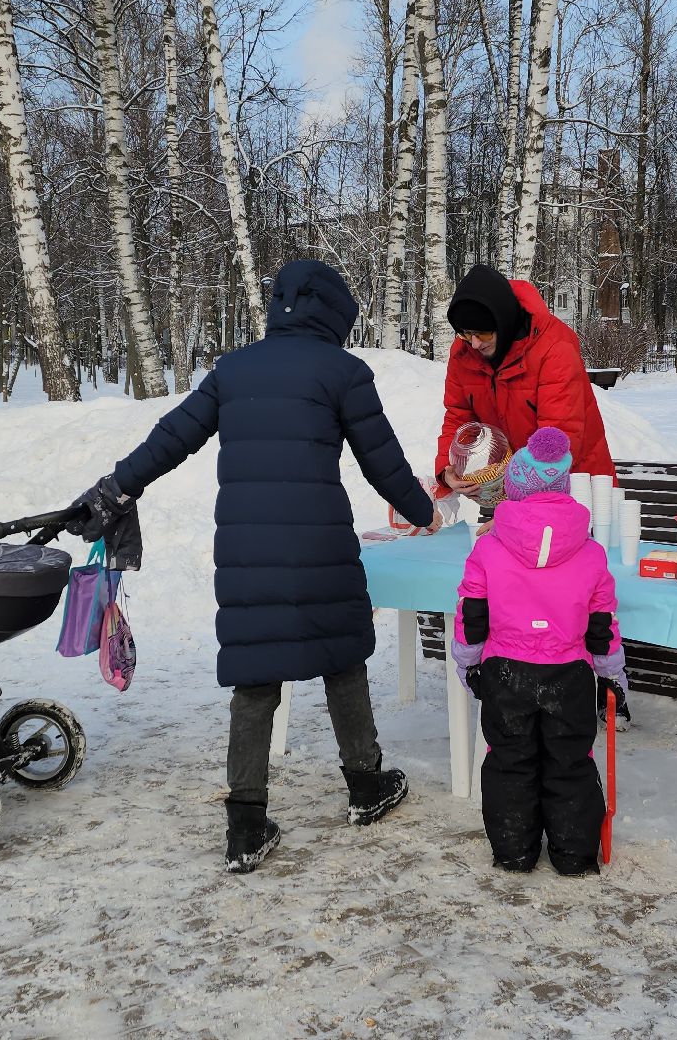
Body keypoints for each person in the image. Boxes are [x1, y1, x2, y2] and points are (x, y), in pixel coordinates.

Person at [68, 260, 436, 874]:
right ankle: (366, 785)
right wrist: (423, 509)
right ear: (332, 311)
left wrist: (114, 487)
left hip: (246, 550)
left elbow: (170, 438)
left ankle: (246, 823)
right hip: (320, 545)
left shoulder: (233, 370)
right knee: (341, 657)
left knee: (256, 675)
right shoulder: (343, 372)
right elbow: (383, 461)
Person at [450, 427, 627, 876]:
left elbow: (472, 612)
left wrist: (468, 663)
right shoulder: (590, 553)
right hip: (568, 674)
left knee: (510, 760)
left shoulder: (488, 547)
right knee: (570, 761)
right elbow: (602, 625)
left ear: (514, 487)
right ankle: (573, 854)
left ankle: (513, 850)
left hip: (506, 672)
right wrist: (610, 675)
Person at [436, 265, 614, 498]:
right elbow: (458, 417)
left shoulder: (554, 348)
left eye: (484, 333)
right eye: (466, 333)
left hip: (578, 489)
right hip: (514, 493)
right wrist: (448, 470)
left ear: (503, 321)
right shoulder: (464, 353)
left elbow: (557, 439)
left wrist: (516, 514)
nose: (475, 343)